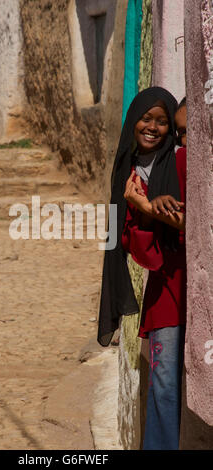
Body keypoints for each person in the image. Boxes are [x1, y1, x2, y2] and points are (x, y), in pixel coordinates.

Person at [97, 87, 187, 450]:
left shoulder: (181, 161)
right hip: (164, 287)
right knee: (162, 381)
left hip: (189, 280)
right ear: (132, 121)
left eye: (162, 121)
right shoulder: (127, 173)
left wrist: (146, 207)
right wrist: (139, 206)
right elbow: (137, 249)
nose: (153, 127)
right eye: (146, 119)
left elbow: (191, 220)